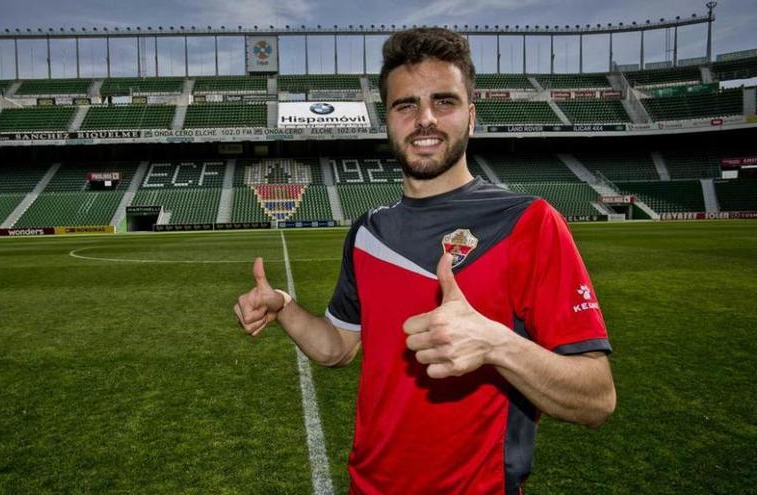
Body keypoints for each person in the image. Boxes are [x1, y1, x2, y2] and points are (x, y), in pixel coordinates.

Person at [233, 27, 616, 495]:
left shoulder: (529, 223)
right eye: (406, 105)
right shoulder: (368, 232)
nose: (425, 119)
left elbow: (596, 398)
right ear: (388, 120)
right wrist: (285, 307)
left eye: (445, 101)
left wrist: (496, 344)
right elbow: (338, 346)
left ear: (471, 116)